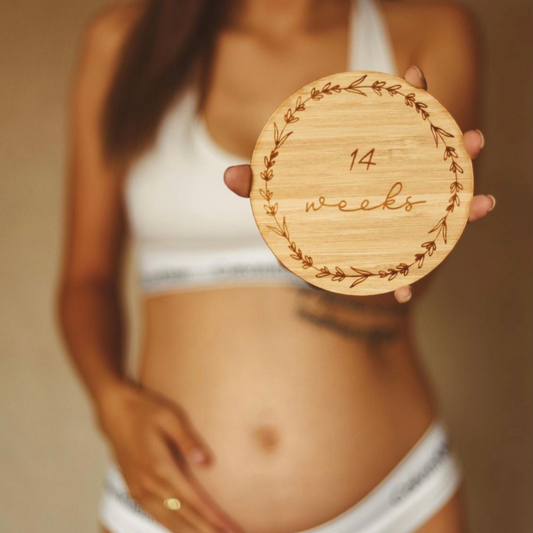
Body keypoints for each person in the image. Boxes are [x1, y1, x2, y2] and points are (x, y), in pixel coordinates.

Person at [55, 0, 495, 532]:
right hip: (168, 505)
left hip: (399, 503)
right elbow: (86, 280)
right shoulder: (122, 41)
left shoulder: (431, 30)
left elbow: (403, 292)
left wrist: (394, 225)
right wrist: (111, 403)